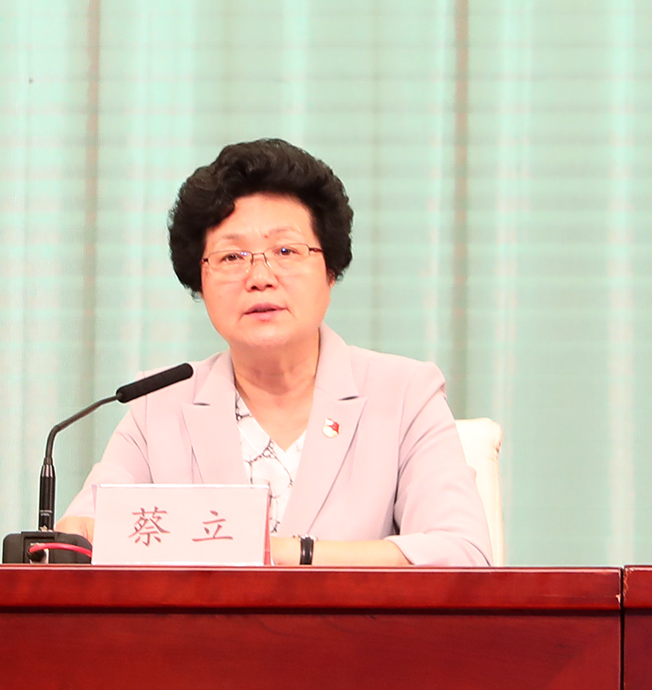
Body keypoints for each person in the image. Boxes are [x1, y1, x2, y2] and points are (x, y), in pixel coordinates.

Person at [57, 138, 492, 567]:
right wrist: (73, 539)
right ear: (200, 281)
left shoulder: (404, 396)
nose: (260, 277)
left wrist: (293, 554)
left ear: (330, 270)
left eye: (286, 251)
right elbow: (78, 543)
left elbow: (462, 554)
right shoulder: (160, 405)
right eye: (231, 257)